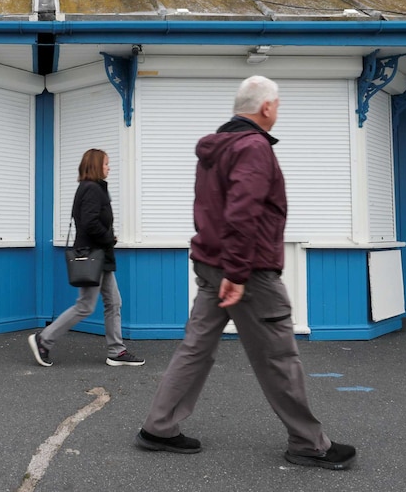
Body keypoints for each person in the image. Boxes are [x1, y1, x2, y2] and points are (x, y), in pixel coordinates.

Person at [135, 76, 356, 470]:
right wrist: (237, 274)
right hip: (246, 271)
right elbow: (242, 213)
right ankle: (308, 443)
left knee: (196, 347)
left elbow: (211, 209)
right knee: (278, 355)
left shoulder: (216, 149)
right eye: (279, 105)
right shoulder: (253, 147)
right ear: (266, 107)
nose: (278, 111)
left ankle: (159, 426)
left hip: (211, 261)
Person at [29, 148, 145, 368]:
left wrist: (108, 238)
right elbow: (89, 223)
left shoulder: (91, 188)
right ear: (95, 166)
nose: (109, 167)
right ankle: (43, 339)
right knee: (85, 305)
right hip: (94, 256)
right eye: (106, 164)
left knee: (114, 302)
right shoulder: (92, 189)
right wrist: (109, 237)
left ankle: (116, 351)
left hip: (100, 256)